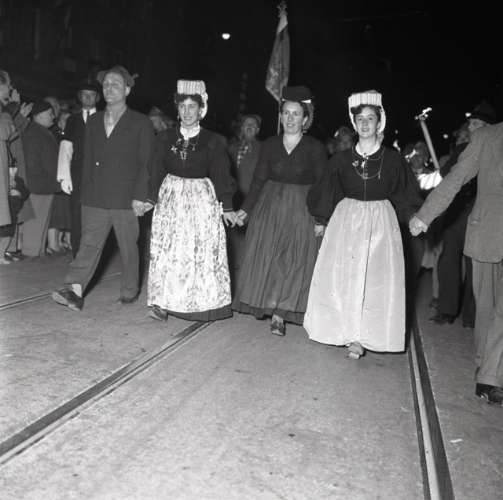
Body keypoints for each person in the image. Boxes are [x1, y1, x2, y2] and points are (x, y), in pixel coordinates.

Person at [304, 90, 423, 359]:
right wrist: (321, 220)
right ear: (354, 123)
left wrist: (415, 218)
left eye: (370, 118)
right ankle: (344, 331)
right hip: (347, 221)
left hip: (381, 222)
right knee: (345, 277)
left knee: (374, 280)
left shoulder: (393, 159)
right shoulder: (341, 159)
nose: (365, 123)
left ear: (379, 122)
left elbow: (405, 194)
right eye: (360, 119)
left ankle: (363, 336)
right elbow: (328, 191)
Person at [409, 112, 503, 407]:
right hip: (488, 233)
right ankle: (486, 365)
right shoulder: (487, 138)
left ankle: (492, 376)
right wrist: (425, 215)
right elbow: (455, 179)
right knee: (486, 308)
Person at [52, 65, 154, 311]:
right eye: (106, 84)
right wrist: (84, 194)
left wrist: (141, 196)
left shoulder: (141, 122)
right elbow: (87, 159)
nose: (109, 88)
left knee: (128, 247)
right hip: (95, 196)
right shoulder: (94, 120)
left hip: (126, 198)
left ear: (127, 90)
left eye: (115, 84)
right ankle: (73, 288)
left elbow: (147, 163)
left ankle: (129, 290)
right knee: (88, 245)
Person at [233, 85, 327, 336]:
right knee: (270, 257)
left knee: (294, 260)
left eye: (296, 114)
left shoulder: (315, 148)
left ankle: (280, 314)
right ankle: (271, 303)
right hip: (270, 207)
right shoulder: (270, 145)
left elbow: (322, 186)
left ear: (305, 119)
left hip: (302, 210)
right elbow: (258, 180)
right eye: (286, 113)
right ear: (280, 116)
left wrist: (320, 219)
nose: (290, 118)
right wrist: (245, 210)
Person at [144, 79, 236, 322]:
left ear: (201, 109)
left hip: (201, 200)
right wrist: (150, 198)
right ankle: (162, 302)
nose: (186, 112)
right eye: (182, 107)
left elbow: (221, 174)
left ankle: (200, 304)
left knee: (197, 251)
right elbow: (155, 170)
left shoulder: (213, 141)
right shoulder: (165, 137)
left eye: (192, 107)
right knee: (168, 250)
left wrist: (227, 206)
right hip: (171, 199)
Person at [57, 81, 101, 257]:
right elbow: (65, 148)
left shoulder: (105, 118)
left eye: (92, 95)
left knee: (96, 218)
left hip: (98, 177)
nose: (88, 98)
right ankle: (77, 256)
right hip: (77, 176)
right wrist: (64, 176)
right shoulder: (73, 120)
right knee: (76, 216)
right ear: (80, 97)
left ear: (98, 98)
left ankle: (94, 257)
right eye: (85, 94)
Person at [21, 100, 59, 257]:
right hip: (39, 185)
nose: (53, 117)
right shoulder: (34, 133)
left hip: (45, 184)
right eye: (50, 113)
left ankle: (37, 252)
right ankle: (31, 253)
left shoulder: (40, 131)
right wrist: (40, 179)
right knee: (36, 221)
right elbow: (32, 162)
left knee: (42, 221)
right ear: (38, 115)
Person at [227, 113, 262, 278]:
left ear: (258, 130)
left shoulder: (263, 149)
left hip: (251, 201)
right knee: (232, 237)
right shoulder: (230, 148)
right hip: (232, 200)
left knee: (249, 237)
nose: (249, 127)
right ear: (241, 128)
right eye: (246, 124)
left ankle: (247, 273)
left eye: (253, 125)